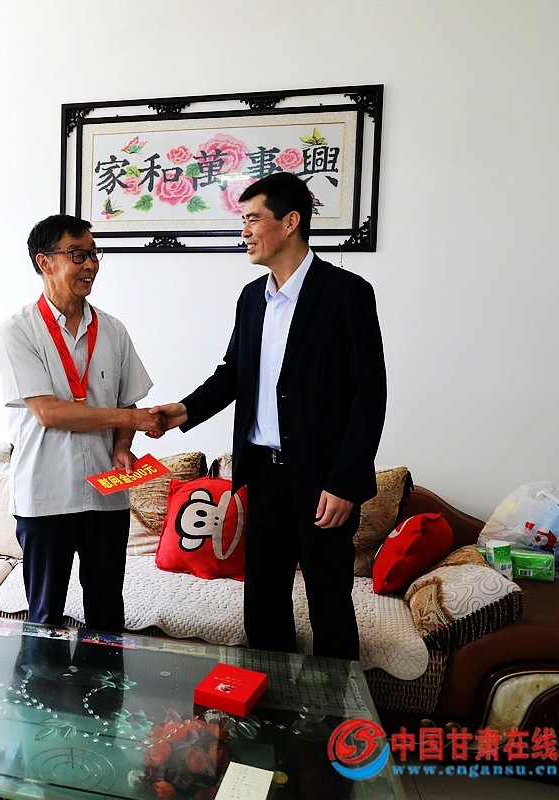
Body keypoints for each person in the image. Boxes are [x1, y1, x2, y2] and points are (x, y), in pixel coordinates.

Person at [149, 172, 387, 661]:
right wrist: (183, 410)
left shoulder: (346, 293)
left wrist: (345, 482)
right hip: (262, 473)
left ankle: (334, 708)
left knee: (329, 604)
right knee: (262, 603)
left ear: (290, 222)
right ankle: (272, 702)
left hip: (322, 479)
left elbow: (369, 397)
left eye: (253, 219)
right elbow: (234, 374)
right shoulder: (251, 298)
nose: (245, 232)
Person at [0, 214, 164, 633]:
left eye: (93, 254)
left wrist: (122, 445)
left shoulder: (113, 330)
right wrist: (131, 418)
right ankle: (40, 679)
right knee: (44, 616)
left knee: (107, 615)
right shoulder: (17, 332)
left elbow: (127, 398)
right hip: (45, 493)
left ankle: (104, 679)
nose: (90, 264)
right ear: (45, 262)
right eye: (77, 254)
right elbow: (50, 412)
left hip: (106, 495)